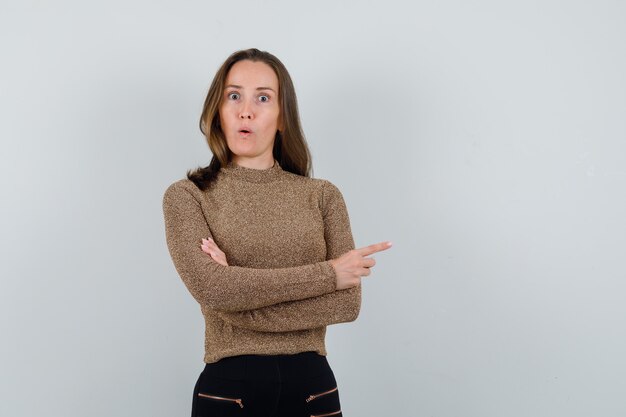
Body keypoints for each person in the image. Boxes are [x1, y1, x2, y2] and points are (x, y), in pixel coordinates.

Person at [162, 48, 392, 417]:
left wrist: (236, 296)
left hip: (313, 390)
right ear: (218, 111)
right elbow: (212, 289)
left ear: (283, 116)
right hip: (229, 389)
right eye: (233, 95)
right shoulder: (188, 196)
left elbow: (347, 305)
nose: (246, 110)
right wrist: (329, 274)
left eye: (263, 98)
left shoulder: (322, 195)